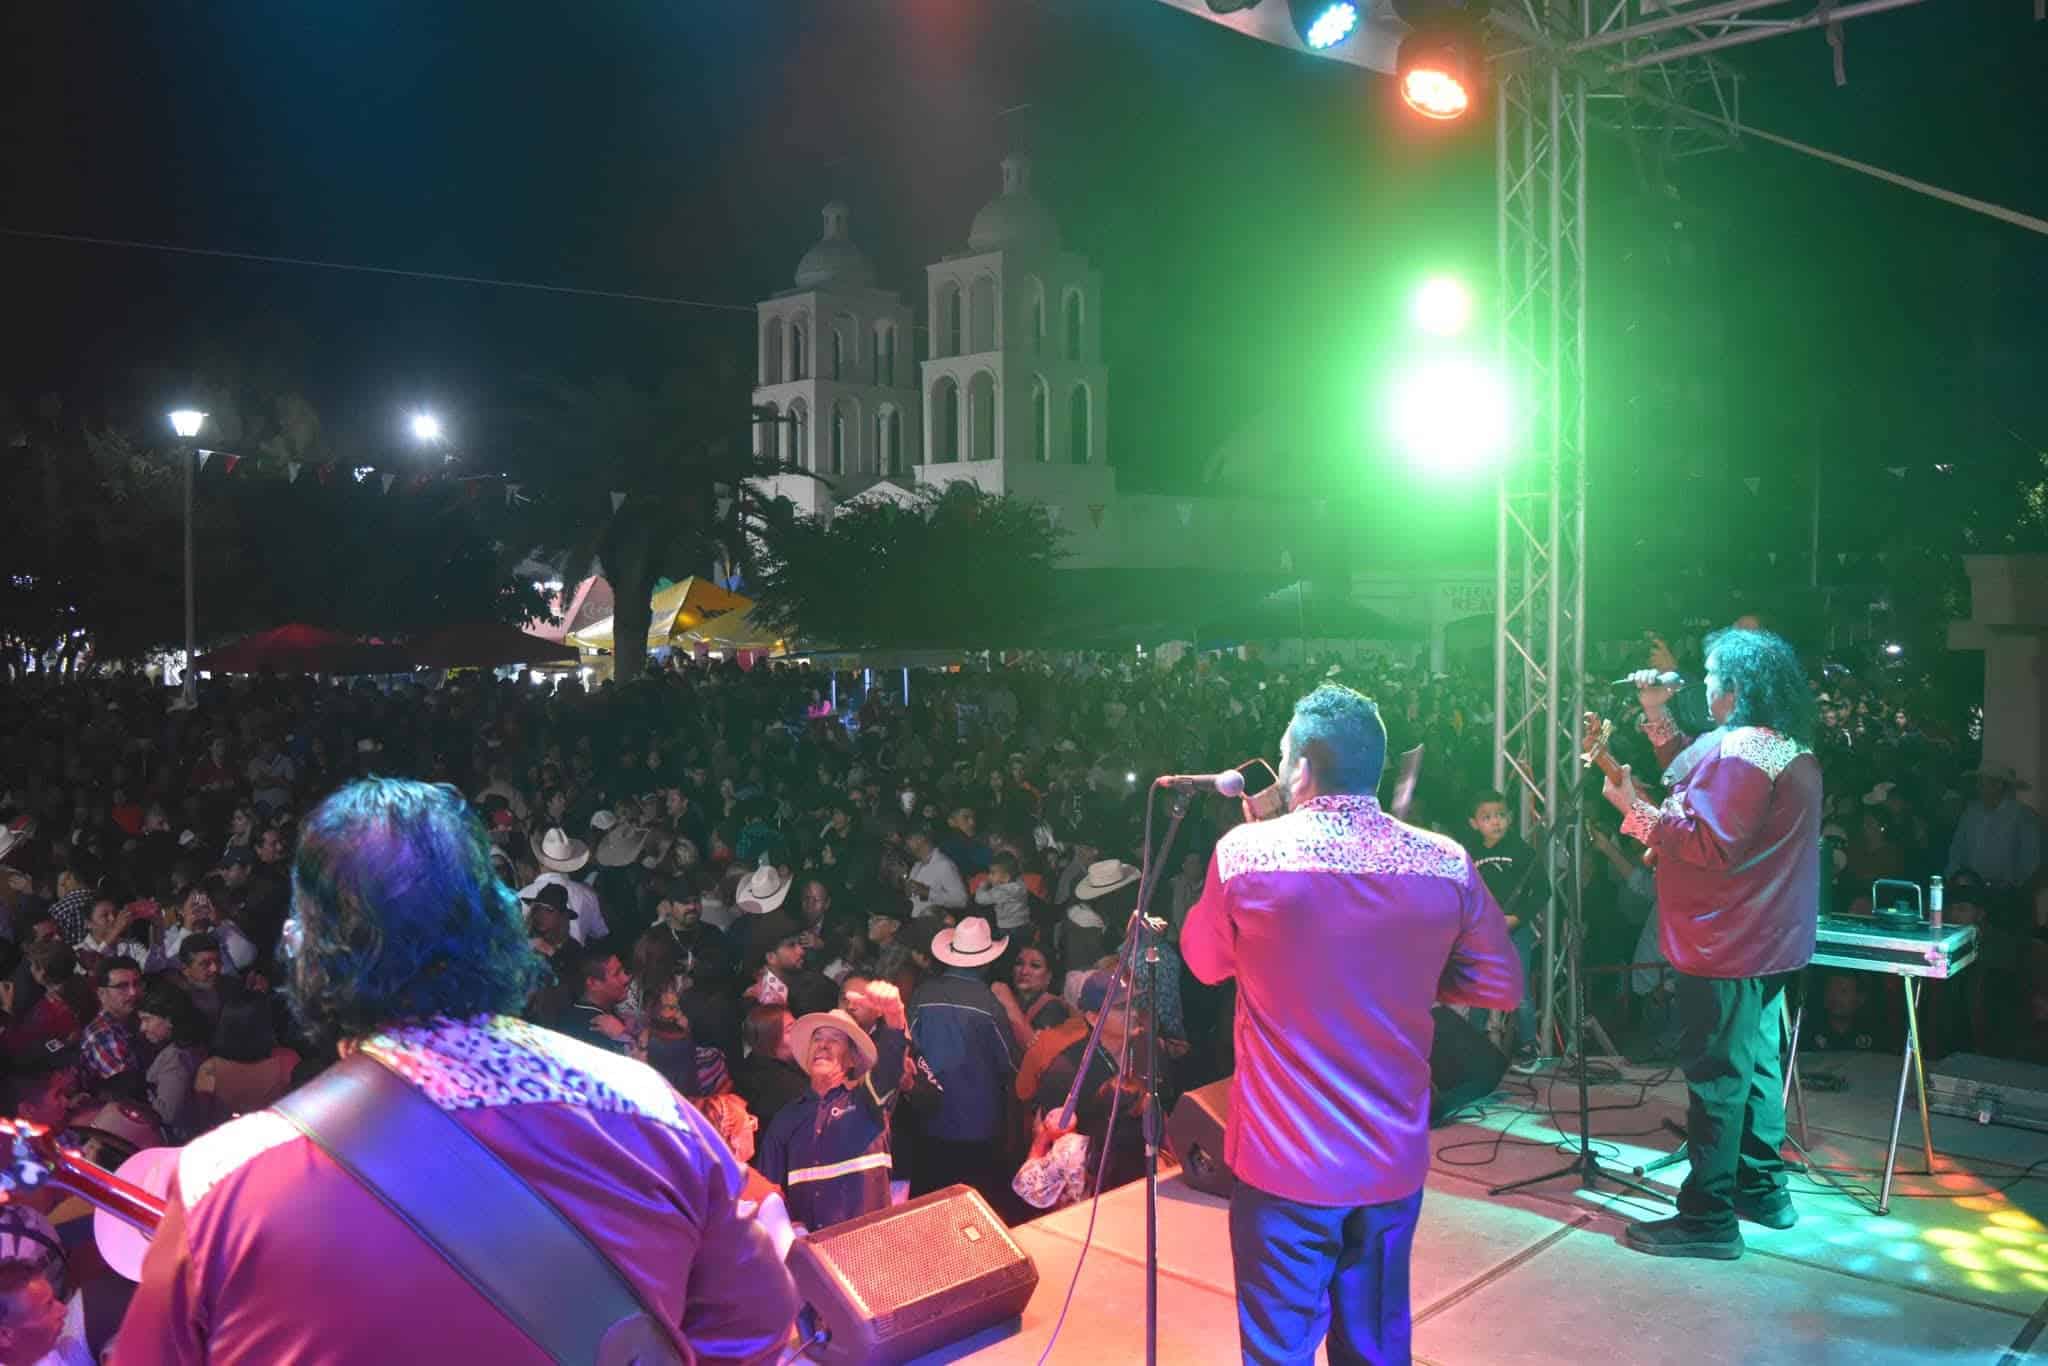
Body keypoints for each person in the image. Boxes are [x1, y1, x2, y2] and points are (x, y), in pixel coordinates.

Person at [112, 778, 796, 1364]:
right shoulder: (648, 1109)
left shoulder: (225, 1179)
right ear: (499, 927)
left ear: (310, 953)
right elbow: (754, 1327)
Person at [1182, 682, 1524, 1366]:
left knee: (1278, 1348)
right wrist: (1411, 973)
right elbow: (1500, 983)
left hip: (1284, 1163)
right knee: (1375, 1345)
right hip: (1388, 1160)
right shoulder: (1446, 860)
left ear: (1301, 769)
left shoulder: (1247, 856)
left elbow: (1203, 961)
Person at [1605, 626, 1822, 1259]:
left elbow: (1707, 840)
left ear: (1735, 689)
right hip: (1770, 940)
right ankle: (1762, 1189)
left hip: (1727, 941)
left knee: (1717, 1078)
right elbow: (1692, 766)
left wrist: (1634, 809)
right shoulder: (1780, 747)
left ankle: (1707, 1219)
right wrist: (1655, 713)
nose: (1701, 685)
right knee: (1754, 1066)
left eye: (1709, 678)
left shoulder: (1742, 755)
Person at [757, 988, 909, 1233]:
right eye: (817, 1039)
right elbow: (766, 1192)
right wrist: (784, 1226)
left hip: (869, 1251)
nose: (823, 1045)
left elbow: (890, 1069)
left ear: (852, 1060)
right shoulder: (785, 1119)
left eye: (834, 1039)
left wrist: (895, 1017)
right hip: (813, 1259)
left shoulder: (867, 1102)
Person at [906, 915, 1020, 1205]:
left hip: (928, 1119)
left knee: (930, 1203)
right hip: (978, 1123)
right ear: (986, 961)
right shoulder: (990, 1004)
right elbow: (1009, 1063)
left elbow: (907, 1047)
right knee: (974, 1206)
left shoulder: (923, 994)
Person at [1464, 790, 1540, 1065]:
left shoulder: (1520, 851)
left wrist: (1517, 917)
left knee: (1519, 991)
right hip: (1482, 934)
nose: (1495, 822)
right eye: (1487, 817)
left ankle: (1529, 1046)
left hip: (1515, 931)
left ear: (1508, 818)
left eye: (1500, 815)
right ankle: (1471, 1046)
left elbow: (1543, 890)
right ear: (1474, 823)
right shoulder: (1469, 854)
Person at [78, 960, 146, 1103]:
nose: (133, 993)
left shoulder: (133, 1022)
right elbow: (127, 1093)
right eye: (122, 986)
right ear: (102, 993)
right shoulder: (104, 1035)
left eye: (137, 984)